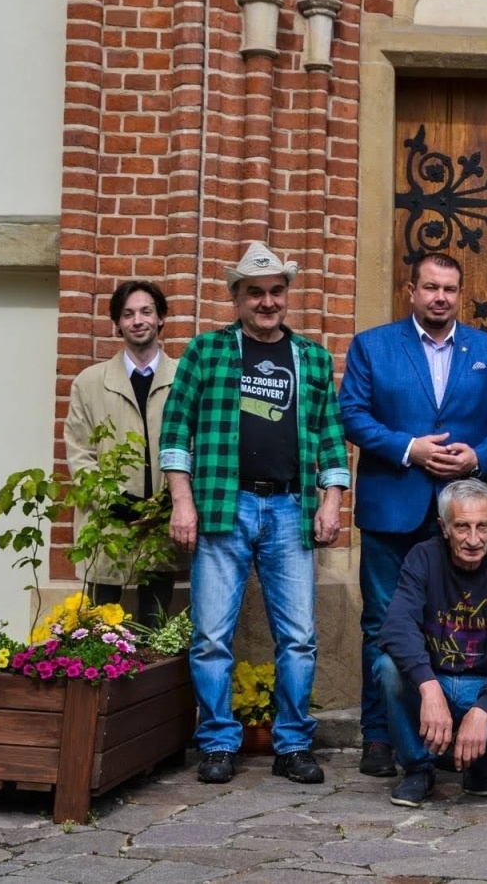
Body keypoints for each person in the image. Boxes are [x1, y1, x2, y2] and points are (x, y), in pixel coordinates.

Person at [159, 241, 349, 786]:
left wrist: (331, 502)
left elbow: (331, 438)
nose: (267, 302)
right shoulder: (206, 352)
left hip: (291, 507)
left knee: (299, 637)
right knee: (212, 635)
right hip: (225, 504)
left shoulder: (311, 357)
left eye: (275, 291)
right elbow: (176, 431)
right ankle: (218, 741)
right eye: (255, 293)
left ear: (286, 295)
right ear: (237, 299)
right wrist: (182, 502)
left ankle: (292, 744)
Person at [339, 252, 487, 778]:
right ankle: (379, 737)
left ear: (460, 293)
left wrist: (480, 457)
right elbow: (352, 413)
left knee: (462, 624)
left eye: (450, 289)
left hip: (462, 512)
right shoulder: (374, 345)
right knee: (381, 622)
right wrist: (408, 448)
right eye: (431, 287)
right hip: (392, 507)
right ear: (411, 291)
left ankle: (457, 731)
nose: (440, 297)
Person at [374, 479, 487, 807]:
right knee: (388, 666)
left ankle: (478, 762)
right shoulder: (423, 558)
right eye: (462, 527)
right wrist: (428, 687)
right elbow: (397, 626)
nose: (474, 539)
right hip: (435, 677)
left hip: (483, 684)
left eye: (482, 526)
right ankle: (418, 768)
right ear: (444, 527)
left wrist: (482, 710)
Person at [63, 279, 184, 626]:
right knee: (99, 627)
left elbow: (193, 445)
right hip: (107, 525)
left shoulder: (184, 378)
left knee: (154, 624)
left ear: (161, 318)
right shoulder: (89, 382)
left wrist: (167, 502)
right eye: (128, 314)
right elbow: (79, 453)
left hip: (161, 524)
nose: (138, 320)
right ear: (117, 324)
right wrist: (115, 501)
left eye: (147, 311)